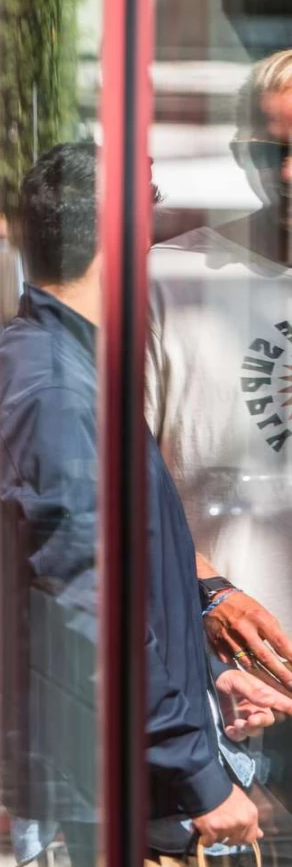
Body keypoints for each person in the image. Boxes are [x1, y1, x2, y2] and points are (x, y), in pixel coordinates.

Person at [0, 143, 290, 867]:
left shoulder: (64, 370)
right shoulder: (59, 391)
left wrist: (205, 672)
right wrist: (200, 775)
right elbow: (94, 608)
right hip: (123, 786)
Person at [146, 48, 292, 688]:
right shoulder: (168, 281)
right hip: (222, 689)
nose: (286, 172)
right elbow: (113, 478)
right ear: (241, 154)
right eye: (268, 151)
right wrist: (207, 591)